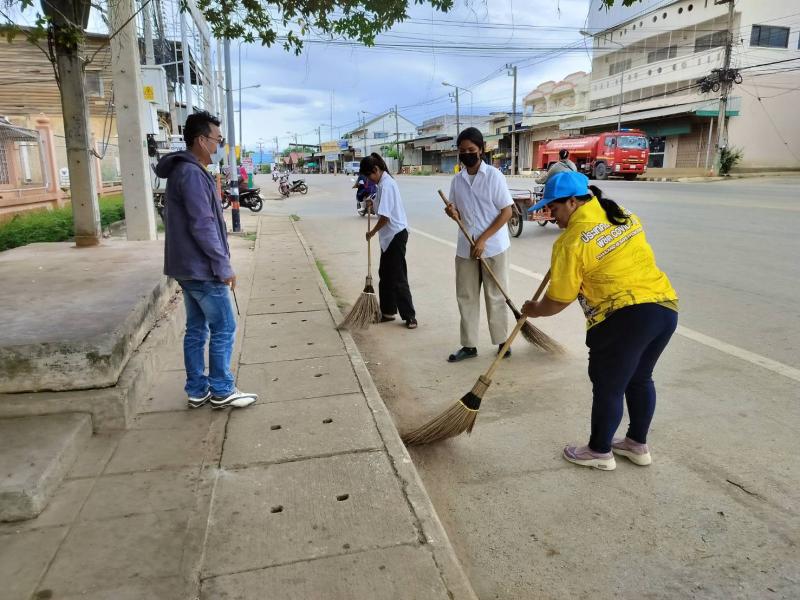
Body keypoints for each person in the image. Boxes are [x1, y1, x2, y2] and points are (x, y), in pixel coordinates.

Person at [521, 172, 678, 471]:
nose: (550, 215)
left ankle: (599, 451)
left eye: (553, 208)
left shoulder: (570, 243)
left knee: (609, 385)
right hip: (664, 309)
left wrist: (533, 309)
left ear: (572, 201)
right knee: (640, 378)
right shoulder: (624, 216)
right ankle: (636, 444)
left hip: (623, 317)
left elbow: (558, 300)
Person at [156, 111, 258, 410]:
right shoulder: (190, 173)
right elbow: (202, 225)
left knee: (197, 329)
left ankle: (198, 389)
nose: (218, 146)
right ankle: (222, 389)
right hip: (201, 269)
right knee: (224, 326)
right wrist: (223, 266)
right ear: (201, 140)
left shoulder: (185, 171)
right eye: (217, 140)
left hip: (187, 267)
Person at [444, 127, 514, 362]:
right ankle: (469, 345)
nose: (467, 154)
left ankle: (503, 341)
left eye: (471, 150)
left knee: (496, 295)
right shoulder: (457, 180)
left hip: (493, 247)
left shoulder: (494, 176)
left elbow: (507, 212)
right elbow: (456, 210)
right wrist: (451, 212)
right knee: (466, 297)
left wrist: (483, 239)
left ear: (481, 150)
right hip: (466, 248)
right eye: (462, 151)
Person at [361, 153, 418, 329]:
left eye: (369, 175)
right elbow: (381, 207)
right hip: (388, 237)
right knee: (385, 275)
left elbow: (385, 217)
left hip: (395, 235)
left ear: (376, 170)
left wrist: (371, 232)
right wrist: (371, 203)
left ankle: (410, 316)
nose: (369, 180)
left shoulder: (387, 185)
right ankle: (387, 312)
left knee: (398, 276)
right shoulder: (381, 185)